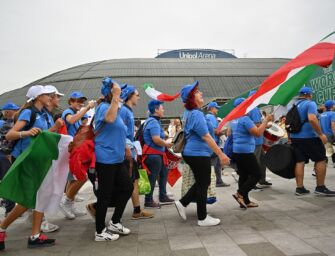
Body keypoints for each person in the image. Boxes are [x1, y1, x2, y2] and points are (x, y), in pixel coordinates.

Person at [0, 85, 57, 250]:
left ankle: (35, 236)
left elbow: (44, 135)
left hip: (39, 159)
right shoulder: (28, 112)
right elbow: (10, 134)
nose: (50, 97)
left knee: (41, 197)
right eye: (46, 94)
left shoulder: (45, 114)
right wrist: (26, 133)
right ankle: (2, 227)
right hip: (26, 159)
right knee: (28, 199)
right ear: (38, 97)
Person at [174, 81, 230, 226]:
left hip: (194, 153)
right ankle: (202, 218)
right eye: (197, 92)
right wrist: (221, 154)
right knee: (203, 183)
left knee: (202, 182)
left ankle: (183, 203)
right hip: (198, 153)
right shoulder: (197, 114)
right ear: (192, 97)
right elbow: (206, 136)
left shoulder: (189, 113)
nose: (201, 93)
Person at [94, 78, 133, 241]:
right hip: (105, 159)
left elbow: (119, 131)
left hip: (117, 159)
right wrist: (115, 97)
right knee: (105, 195)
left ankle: (115, 221)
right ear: (110, 93)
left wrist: (125, 147)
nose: (121, 93)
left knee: (127, 188)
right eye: (118, 91)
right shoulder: (104, 107)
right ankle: (99, 231)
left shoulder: (116, 109)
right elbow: (109, 120)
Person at [289, 87, 335, 196]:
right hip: (309, 137)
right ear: (309, 95)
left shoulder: (294, 105)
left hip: (296, 137)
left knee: (300, 161)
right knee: (320, 159)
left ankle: (300, 188)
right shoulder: (310, 104)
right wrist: (320, 134)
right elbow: (312, 119)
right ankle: (320, 187)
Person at [118, 84, 154, 219]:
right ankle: (98, 206)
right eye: (137, 95)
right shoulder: (124, 111)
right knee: (127, 183)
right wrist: (126, 148)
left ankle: (137, 210)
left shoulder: (127, 110)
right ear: (129, 95)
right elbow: (119, 131)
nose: (139, 98)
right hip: (125, 150)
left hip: (129, 148)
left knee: (133, 181)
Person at [230, 98, 273, 209]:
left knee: (244, 176)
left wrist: (264, 125)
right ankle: (240, 193)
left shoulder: (234, 119)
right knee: (256, 175)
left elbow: (248, 129)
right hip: (246, 152)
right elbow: (258, 133)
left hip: (237, 151)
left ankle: (245, 201)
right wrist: (265, 121)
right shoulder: (245, 119)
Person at [59, 91, 95, 219]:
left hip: (73, 149)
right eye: (77, 101)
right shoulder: (68, 112)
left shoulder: (76, 114)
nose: (80, 103)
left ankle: (69, 204)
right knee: (81, 177)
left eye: (82, 101)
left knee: (73, 178)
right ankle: (66, 202)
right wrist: (87, 108)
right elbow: (72, 120)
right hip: (70, 150)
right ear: (71, 101)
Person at [142, 100, 174, 208]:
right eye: (162, 108)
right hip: (153, 155)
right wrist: (166, 144)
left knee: (164, 173)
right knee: (152, 177)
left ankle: (163, 195)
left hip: (157, 154)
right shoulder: (153, 122)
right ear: (156, 110)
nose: (163, 110)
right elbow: (155, 139)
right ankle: (148, 200)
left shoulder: (154, 121)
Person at [247, 90, 272, 188]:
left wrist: (264, 125)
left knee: (262, 160)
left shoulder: (250, 108)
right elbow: (257, 125)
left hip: (257, 140)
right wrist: (266, 124)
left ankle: (262, 179)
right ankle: (252, 182)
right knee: (256, 161)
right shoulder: (253, 109)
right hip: (256, 140)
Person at [0, 102, 20, 217]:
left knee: (6, 180)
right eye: (15, 110)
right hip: (4, 155)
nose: (18, 111)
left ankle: (10, 207)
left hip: (4, 155)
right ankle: (10, 210)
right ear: (7, 112)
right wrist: (8, 155)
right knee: (8, 181)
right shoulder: (7, 124)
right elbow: (7, 143)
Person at [206, 101, 230, 187]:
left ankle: (218, 181)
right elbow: (215, 131)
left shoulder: (207, 116)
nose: (217, 110)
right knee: (214, 164)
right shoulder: (211, 117)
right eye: (216, 108)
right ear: (212, 108)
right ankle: (214, 182)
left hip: (210, 143)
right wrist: (225, 131)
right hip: (213, 144)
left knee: (216, 164)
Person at [320, 100, 335, 167]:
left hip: (323, 135)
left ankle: (321, 166)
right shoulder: (332, 114)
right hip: (331, 135)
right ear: (332, 106)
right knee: (331, 149)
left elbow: (319, 125)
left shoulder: (322, 115)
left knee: (325, 150)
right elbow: (333, 124)